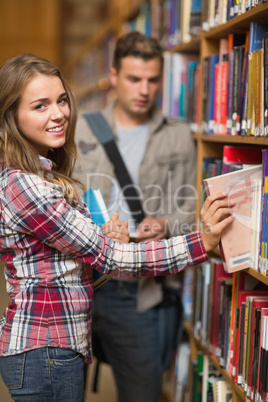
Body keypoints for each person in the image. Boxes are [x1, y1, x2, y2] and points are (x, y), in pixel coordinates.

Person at [0, 52, 233, 402]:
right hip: (44, 346)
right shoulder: (25, 186)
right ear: (11, 117)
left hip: (54, 344)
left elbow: (72, 259)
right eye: (40, 106)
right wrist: (202, 242)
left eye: (62, 100)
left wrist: (102, 238)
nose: (59, 113)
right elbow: (111, 257)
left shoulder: (40, 174)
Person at [74, 32, 207, 401]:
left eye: (152, 79)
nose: (144, 89)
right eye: (134, 78)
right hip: (81, 283)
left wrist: (165, 224)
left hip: (139, 293)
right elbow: (64, 197)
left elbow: (191, 209)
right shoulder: (81, 128)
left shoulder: (178, 135)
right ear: (114, 75)